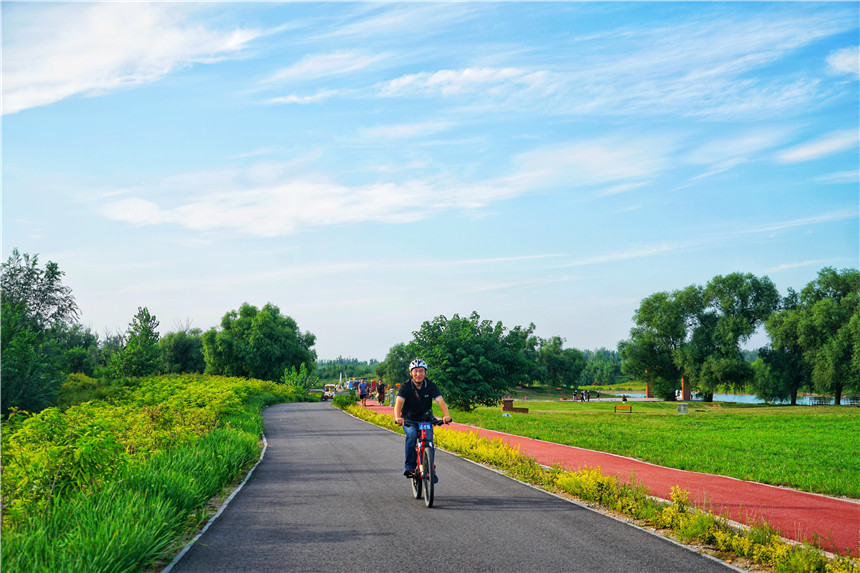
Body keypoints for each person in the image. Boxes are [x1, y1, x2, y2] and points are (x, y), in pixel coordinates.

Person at [393, 359, 452, 479]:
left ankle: (430, 470)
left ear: (425, 373)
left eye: (421, 371)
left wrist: (446, 415)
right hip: (409, 420)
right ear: (411, 373)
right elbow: (399, 402)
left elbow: (440, 400)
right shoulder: (406, 386)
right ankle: (409, 467)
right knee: (412, 435)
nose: (418, 374)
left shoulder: (430, 385)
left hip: (425, 419)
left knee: (429, 441)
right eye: (415, 371)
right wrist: (398, 417)